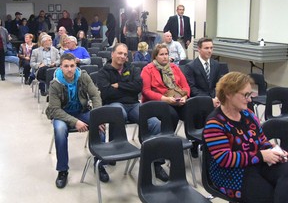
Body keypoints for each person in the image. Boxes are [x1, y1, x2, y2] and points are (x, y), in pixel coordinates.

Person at [203, 71, 288, 203]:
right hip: (229, 173)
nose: (249, 99)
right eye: (245, 95)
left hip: (255, 162)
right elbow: (225, 159)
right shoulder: (214, 124)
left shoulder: (248, 114)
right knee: (268, 196)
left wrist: (275, 152)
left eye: (250, 94)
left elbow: (261, 140)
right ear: (228, 94)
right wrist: (261, 155)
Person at [96, 43, 162, 181]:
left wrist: (119, 86)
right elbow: (107, 92)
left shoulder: (132, 68)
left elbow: (138, 86)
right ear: (112, 54)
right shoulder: (103, 72)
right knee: (119, 114)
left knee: (155, 123)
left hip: (133, 104)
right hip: (114, 105)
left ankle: (156, 162)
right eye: (119, 53)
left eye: (125, 54)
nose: (122, 56)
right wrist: (127, 88)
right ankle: (116, 149)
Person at [45, 53, 105, 189]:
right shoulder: (55, 84)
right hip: (62, 114)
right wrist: (75, 122)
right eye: (66, 66)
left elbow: (95, 95)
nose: (70, 69)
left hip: (82, 111)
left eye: (72, 66)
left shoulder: (83, 76)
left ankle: (100, 164)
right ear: (61, 67)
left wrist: (99, 116)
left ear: (76, 65)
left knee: (100, 126)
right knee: (60, 130)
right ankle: (62, 170)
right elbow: (55, 110)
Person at [141, 43, 190, 131]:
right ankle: (168, 138)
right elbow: (146, 91)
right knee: (172, 115)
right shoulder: (147, 69)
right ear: (155, 56)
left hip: (177, 99)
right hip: (157, 102)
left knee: (192, 111)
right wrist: (164, 99)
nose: (165, 57)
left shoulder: (174, 67)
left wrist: (185, 97)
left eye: (166, 54)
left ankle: (194, 140)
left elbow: (185, 86)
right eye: (161, 54)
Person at [185, 37, 221, 107]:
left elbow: (218, 84)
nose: (210, 51)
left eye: (211, 48)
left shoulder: (216, 64)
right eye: (206, 48)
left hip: (216, 99)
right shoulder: (190, 66)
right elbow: (192, 88)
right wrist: (209, 100)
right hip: (200, 101)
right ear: (199, 49)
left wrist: (216, 97)